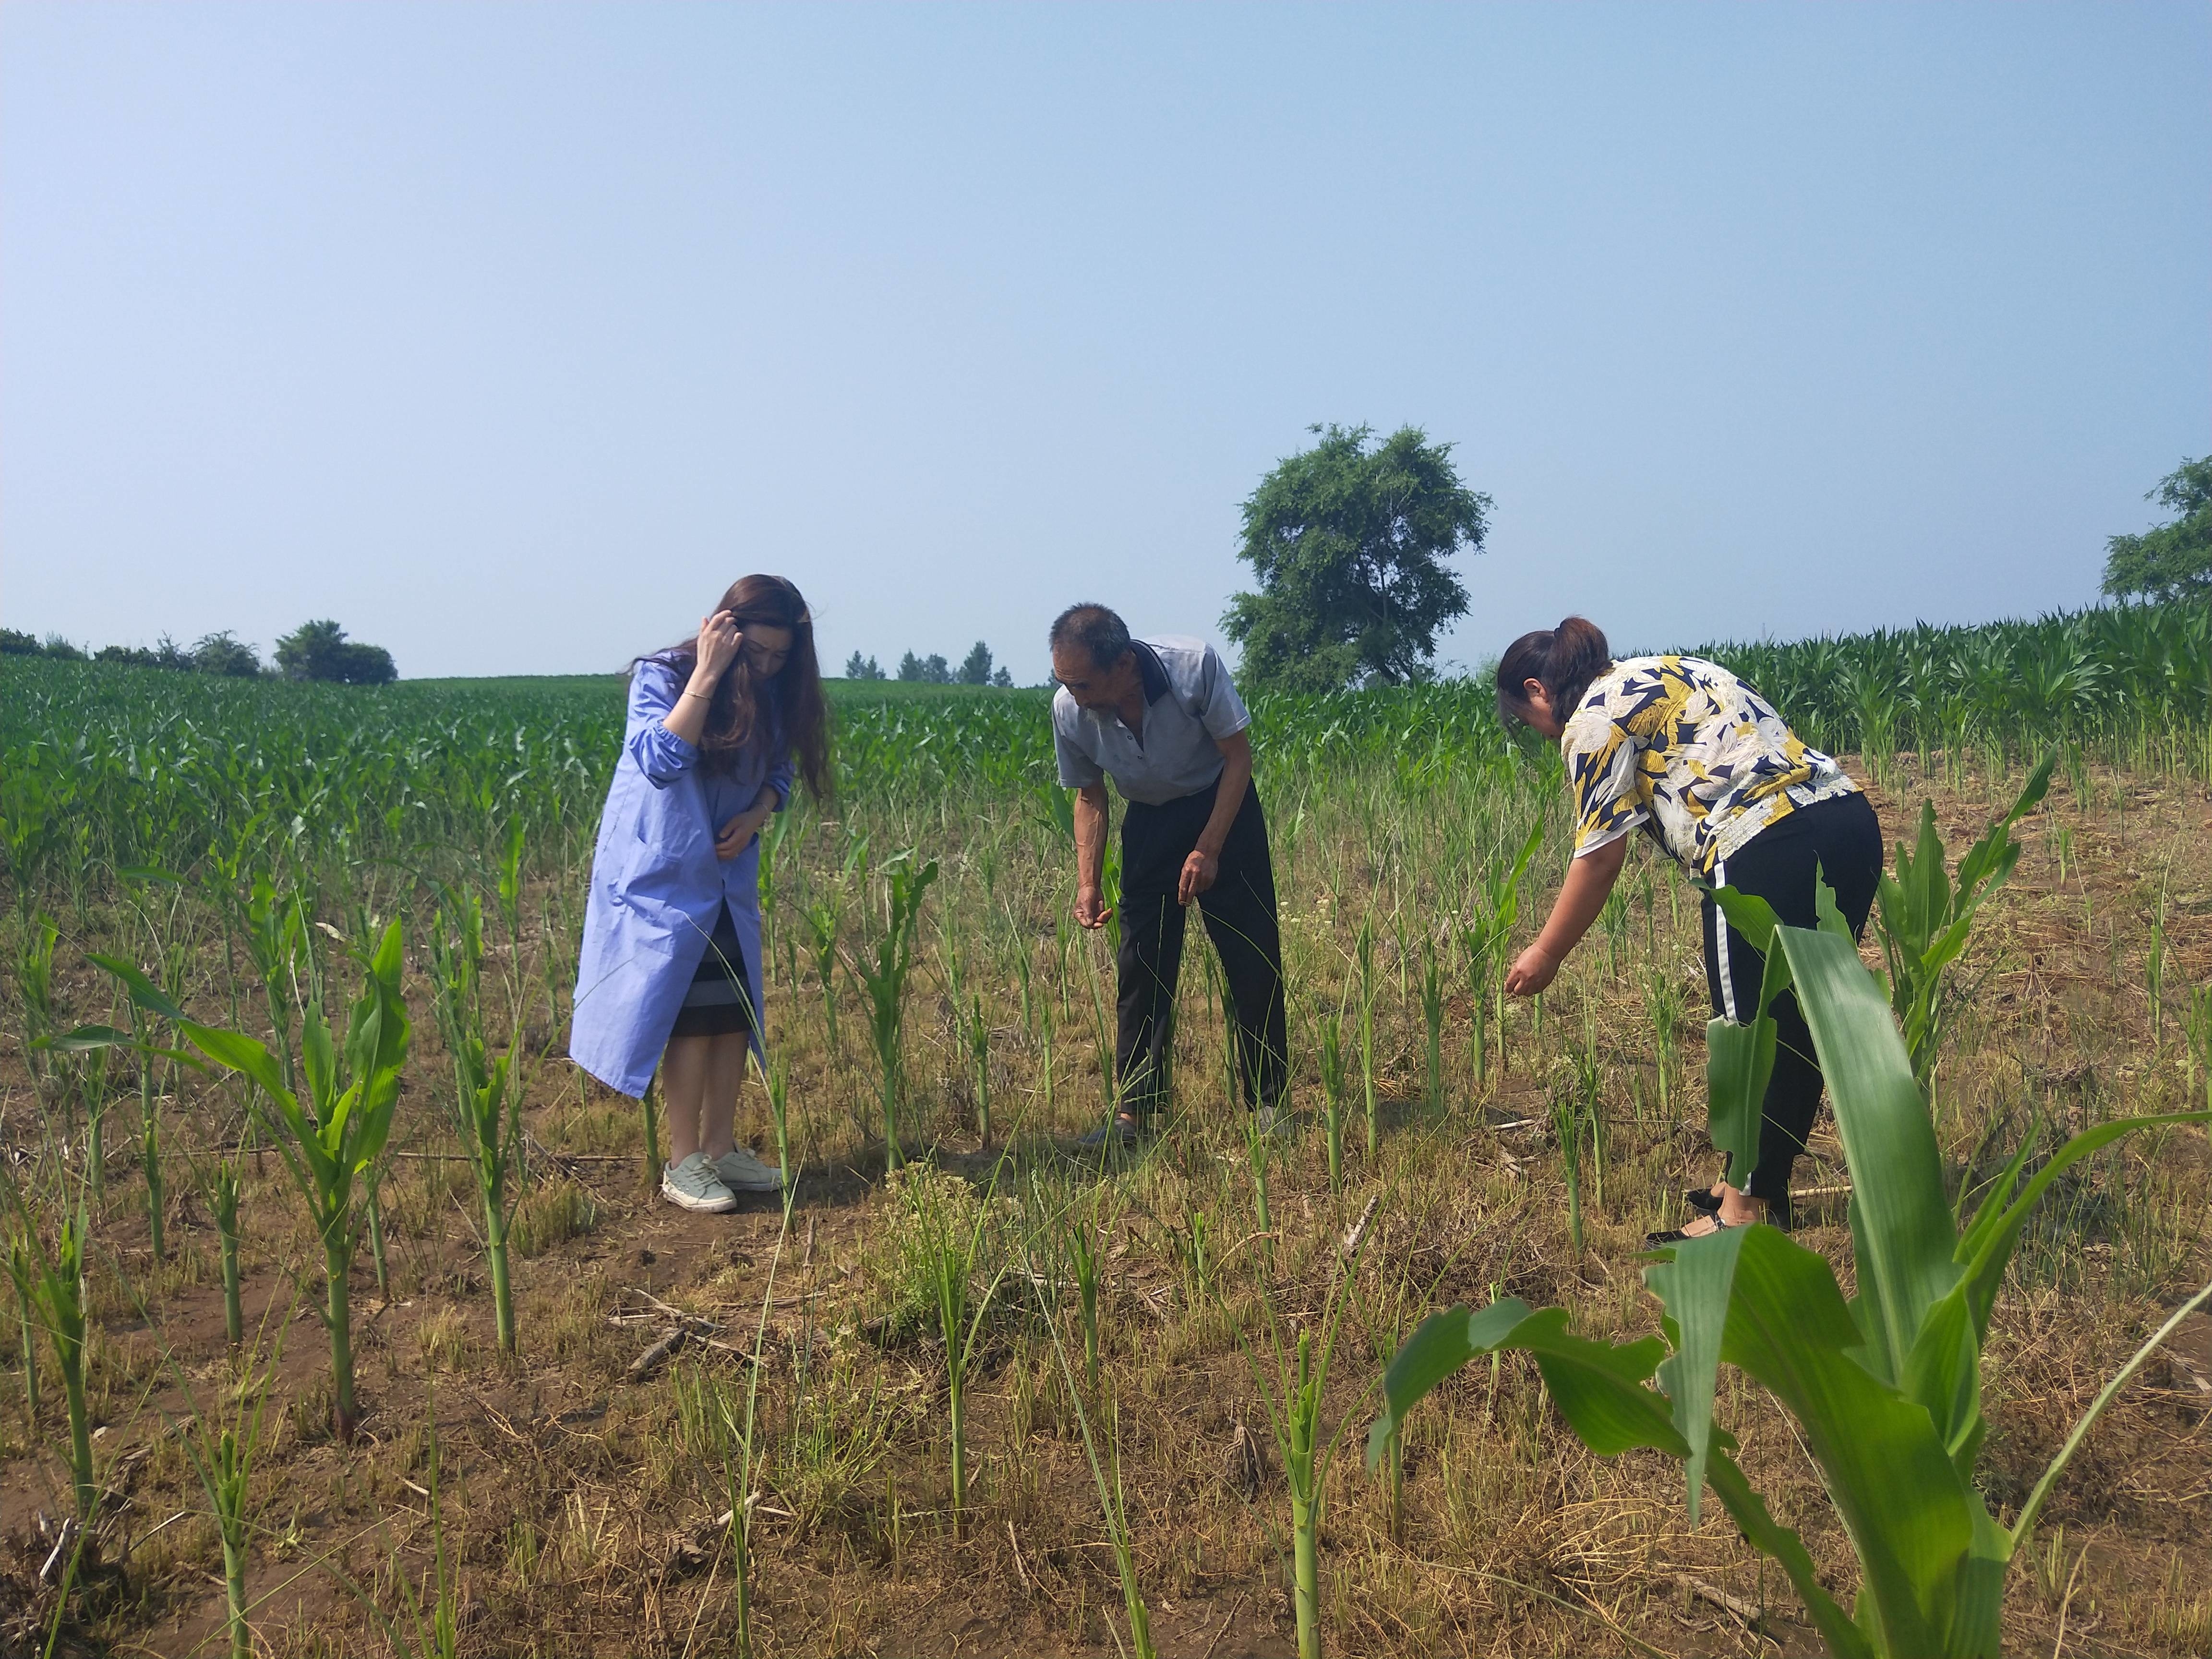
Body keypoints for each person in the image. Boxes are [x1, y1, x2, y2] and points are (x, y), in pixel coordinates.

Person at [1494, 617, 1883, 1242]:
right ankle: (1757, 1190)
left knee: (1748, 1039)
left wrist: (1546, 952)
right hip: (1845, 820)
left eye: (1528, 719)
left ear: (1538, 689)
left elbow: (1598, 859)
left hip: (1759, 846)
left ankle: (1741, 1218)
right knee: (1798, 1025)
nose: (1541, 736)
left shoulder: (1590, 723)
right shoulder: (1672, 668)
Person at [571, 575, 831, 1213]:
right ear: (725, 632)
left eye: (779, 658)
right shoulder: (664, 676)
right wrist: (709, 675)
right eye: (757, 653)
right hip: (664, 879)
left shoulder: (771, 694)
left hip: (726, 874)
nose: (768, 668)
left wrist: (760, 814)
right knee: (687, 1019)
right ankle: (683, 1158)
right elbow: (659, 758)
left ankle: (721, 1148)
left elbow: (779, 772)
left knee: (731, 1012)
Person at [1050, 604, 1289, 1146]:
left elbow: (1238, 757)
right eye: (1064, 681)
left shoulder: (1192, 666)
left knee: (1252, 956)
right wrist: (1088, 882)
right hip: (1149, 821)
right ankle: (1135, 1112)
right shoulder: (1069, 709)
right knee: (1142, 965)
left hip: (1222, 808)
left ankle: (1269, 1101)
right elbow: (1090, 794)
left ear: (1125, 665)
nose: (1075, 695)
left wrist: (1210, 848)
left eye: (1084, 683)